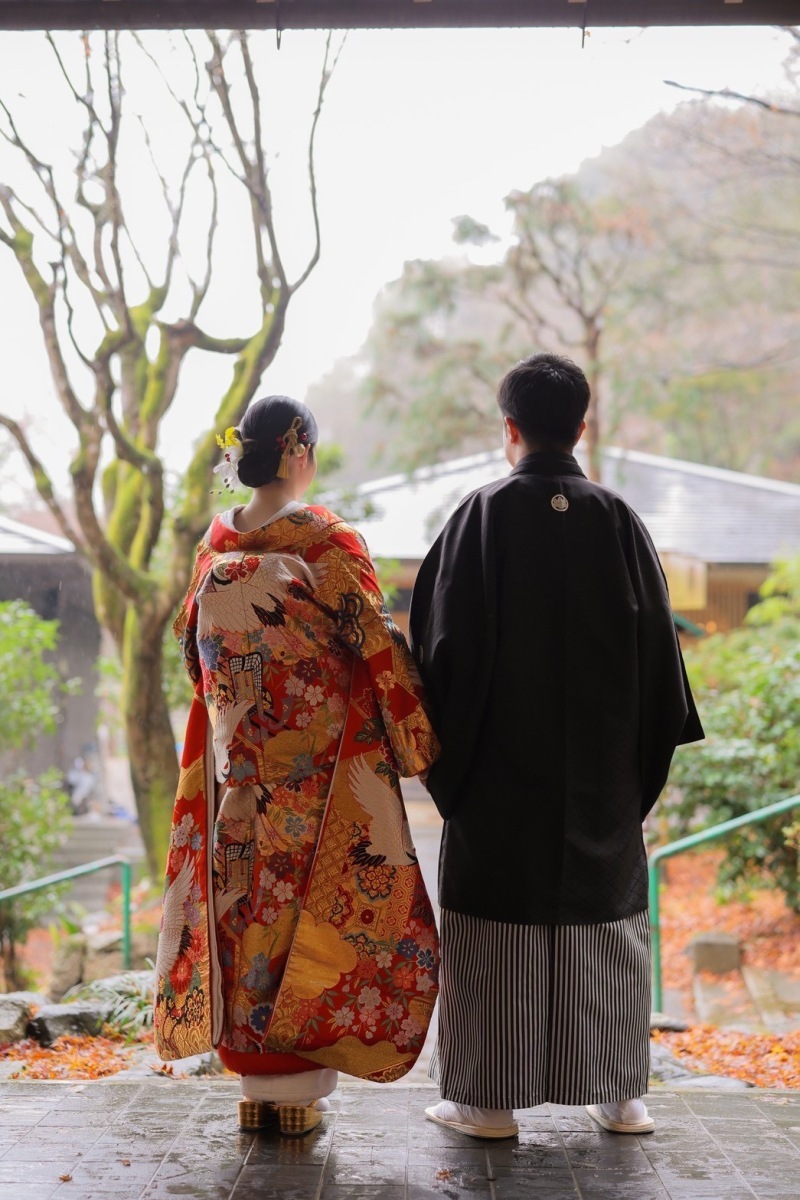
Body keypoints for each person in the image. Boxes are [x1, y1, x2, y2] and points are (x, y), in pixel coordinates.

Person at [409, 353, 703, 1140]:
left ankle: (487, 1102)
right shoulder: (617, 520)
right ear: (581, 426)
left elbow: (440, 653)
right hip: (602, 776)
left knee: (496, 919)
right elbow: (660, 669)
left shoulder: (478, 517)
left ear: (510, 428)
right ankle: (618, 1095)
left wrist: (453, 771)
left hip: (497, 777)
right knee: (603, 919)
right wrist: (627, 777)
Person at [154, 396, 440, 1135]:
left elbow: (196, 658)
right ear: (298, 449)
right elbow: (374, 643)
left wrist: (238, 723)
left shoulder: (213, 546)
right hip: (315, 779)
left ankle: (255, 1088)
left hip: (237, 773)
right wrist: (418, 740)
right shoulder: (327, 540)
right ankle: (299, 1087)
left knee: (242, 913)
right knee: (307, 914)